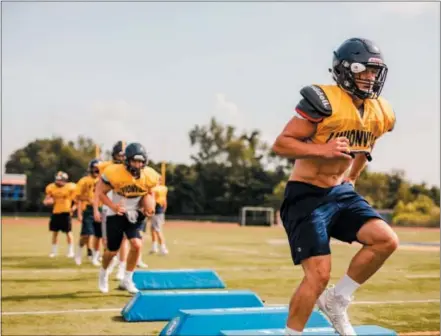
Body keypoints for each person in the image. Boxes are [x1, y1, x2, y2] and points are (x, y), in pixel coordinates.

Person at [271, 38, 399, 335]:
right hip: (306, 194)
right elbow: (281, 144)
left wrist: (352, 176)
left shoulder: (380, 111)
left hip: (338, 192)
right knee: (317, 276)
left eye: (374, 72)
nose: (371, 77)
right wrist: (322, 151)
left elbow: (366, 145)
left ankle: (337, 299)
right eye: (364, 70)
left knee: (385, 240)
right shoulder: (324, 101)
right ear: (344, 70)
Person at [96, 142, 159, 294]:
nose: (138, 164)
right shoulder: (114, 172)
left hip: (136, 212)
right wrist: (113, 206)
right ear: (127, 160)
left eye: (141, 161)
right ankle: (103, 273)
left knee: (137, 245)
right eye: (135, 161)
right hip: (116, 211)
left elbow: (150, 193)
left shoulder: (149, 175)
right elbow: (101, 193)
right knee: (111, 251)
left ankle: (127, 279)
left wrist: (151, 206)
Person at [93, 141, 128, 280]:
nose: (124, 157)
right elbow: (98, 190)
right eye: (121, 154)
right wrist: (96, 208)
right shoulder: (106, 167)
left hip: (125, 206)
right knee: (107, 243)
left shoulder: (131, 167)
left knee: (124, 239)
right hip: (108, 207)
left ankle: (122, 267)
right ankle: (109, 263)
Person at [74, 159, 102, 266]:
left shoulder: (103, 180)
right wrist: (80, 213)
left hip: (101, 209)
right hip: (88, 210)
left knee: (99, 235)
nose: (96, 170)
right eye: (94, 168)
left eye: (98, 169)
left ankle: (95, 257)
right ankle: (79, 253)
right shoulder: (84, 181)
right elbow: (78, 196)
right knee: (86, 234)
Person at [43, 171, 77, 258]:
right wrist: (47, 202)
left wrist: (73, 209)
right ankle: (54, 251)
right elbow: (46, 199)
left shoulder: (70, 187)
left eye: (60, 180)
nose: (58, 182)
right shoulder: (51, 187)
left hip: (66, 213)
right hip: (56, 212)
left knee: (68, 232)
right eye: (57, 180)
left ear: (65, 180)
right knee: (55, 233)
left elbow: (76, 202)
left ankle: (71, 251)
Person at [149, 176, 169, 255]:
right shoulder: (163, 189)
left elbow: (154, 200)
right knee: (153, 229)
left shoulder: (155, 189)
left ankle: (163, 248)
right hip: (159, 211)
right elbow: (165, 201)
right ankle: (154, 247)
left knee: (157, 230)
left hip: (156, 211)